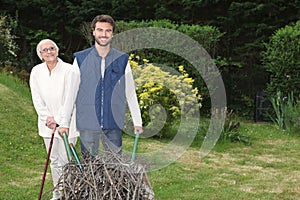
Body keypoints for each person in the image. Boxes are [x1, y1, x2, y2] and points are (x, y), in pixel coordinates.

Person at [73, 14, 143, 156]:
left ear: (112, 33)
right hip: (87, 123)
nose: (103, 34)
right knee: (89, 168)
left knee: (114, 166)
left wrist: (137, 121)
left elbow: (129, 92)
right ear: (93, 31)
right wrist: (65, 124)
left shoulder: (122, 60)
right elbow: (71, 94)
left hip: (113, 123)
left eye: (108, 30)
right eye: (100, 30)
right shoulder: (80, 59)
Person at [29, 39, 80, 200]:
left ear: (57, 51)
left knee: (66, 162)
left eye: (52, 48)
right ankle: (57, 193)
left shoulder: (70, 70)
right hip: (47, 126)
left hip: (67, 124)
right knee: (54, 160)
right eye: (44, 50)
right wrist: (47, 118)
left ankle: (68, 193)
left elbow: (70, 99)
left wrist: (59, 120)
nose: (49, 52)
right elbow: (36, 98)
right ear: (40, 55)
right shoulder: (36, 71)